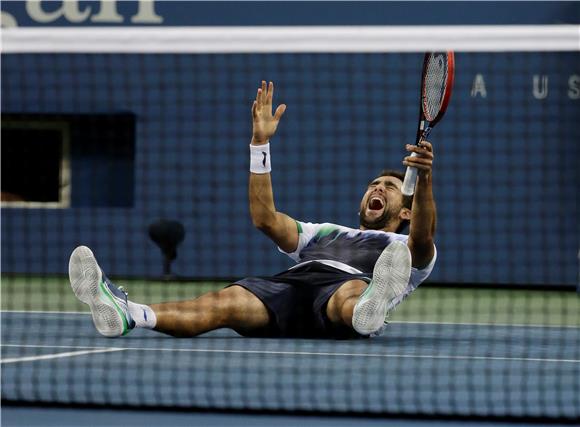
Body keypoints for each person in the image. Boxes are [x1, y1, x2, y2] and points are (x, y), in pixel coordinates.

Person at [69, 81, 437, 340]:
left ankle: (365, 311)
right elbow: (265, 219)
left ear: (405, 211)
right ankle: (130, 315)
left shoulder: (403, 252)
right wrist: (259, 144)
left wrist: (423, 181)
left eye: (388, 187)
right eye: (373, 184)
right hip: (291, 290)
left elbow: (422, 237)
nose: (376, 188)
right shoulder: (325, 232)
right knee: (222, 303)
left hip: (346, 290)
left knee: (349, 292)